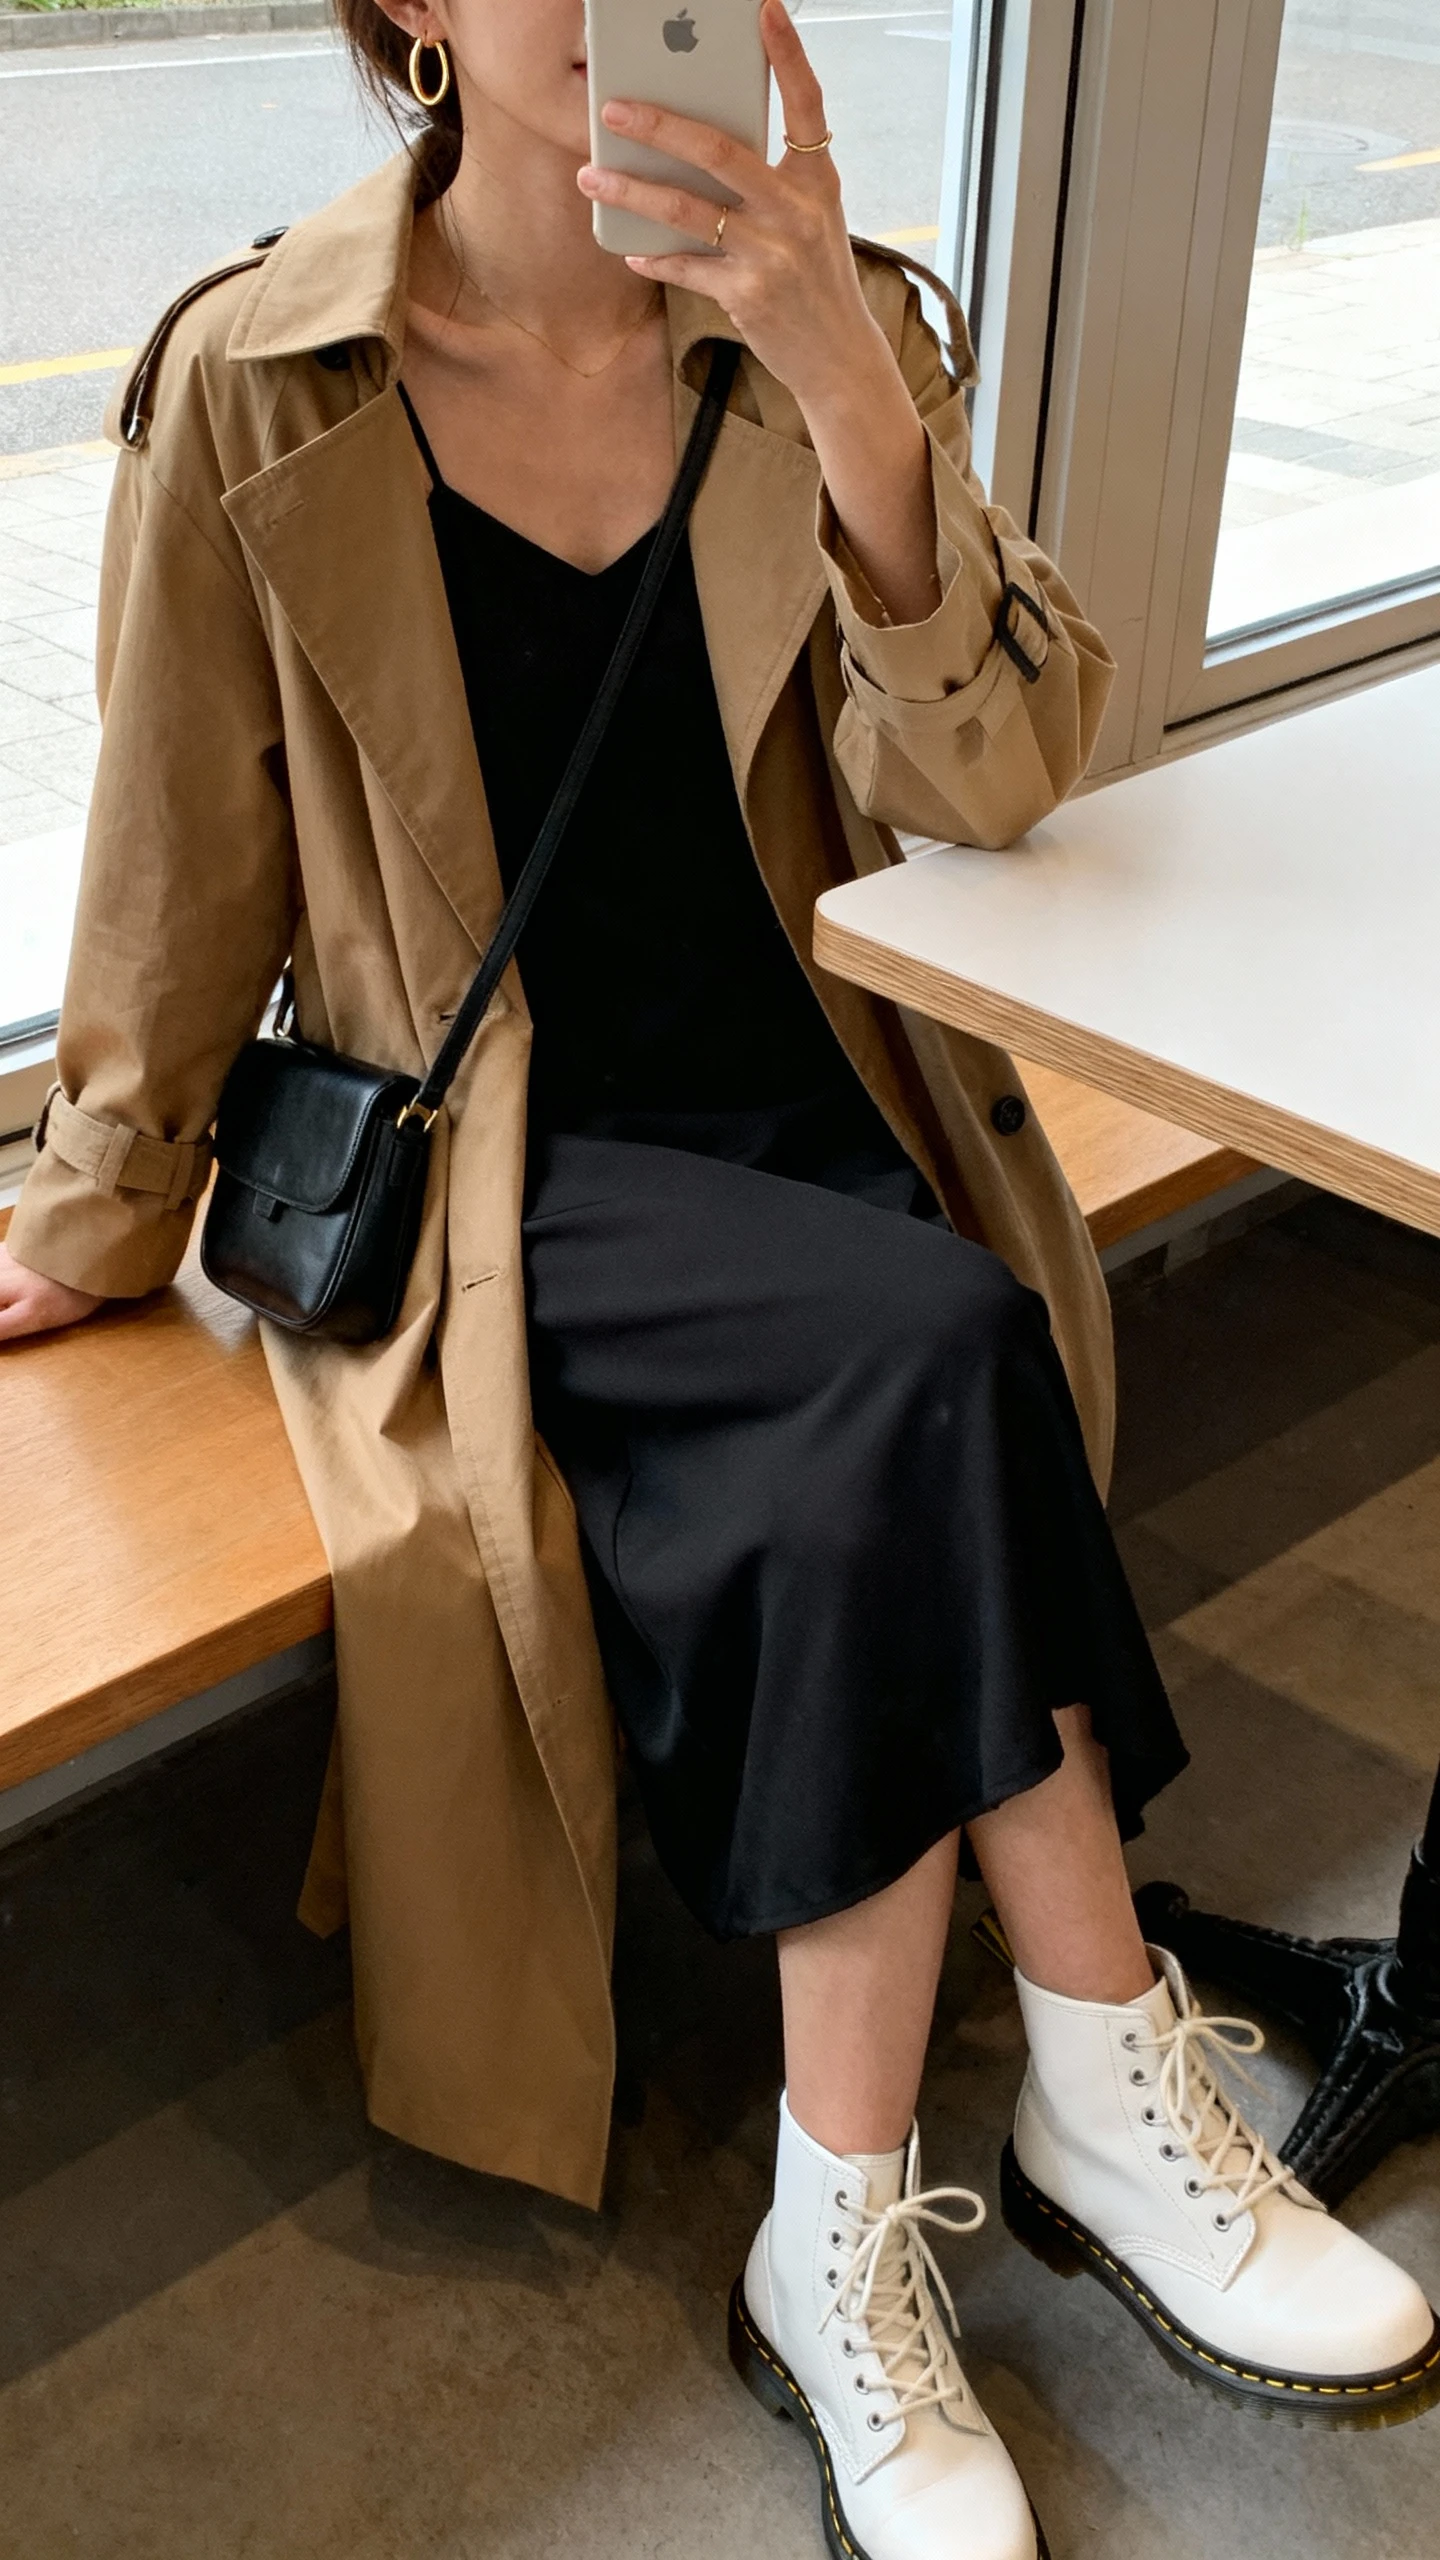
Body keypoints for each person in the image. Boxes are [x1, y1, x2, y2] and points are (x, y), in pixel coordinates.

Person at [2, 3, 1434, 2549]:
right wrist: (91, 1210)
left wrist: (850, 390)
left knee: (876, 1421)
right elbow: (169, 857)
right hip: (501, 1160)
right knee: (941, 1346)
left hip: (822, 1099)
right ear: (414, 11)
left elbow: (996, 782)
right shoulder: (260, 379)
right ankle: (1101, 2072)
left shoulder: (829, 326)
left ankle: (838, 2228)